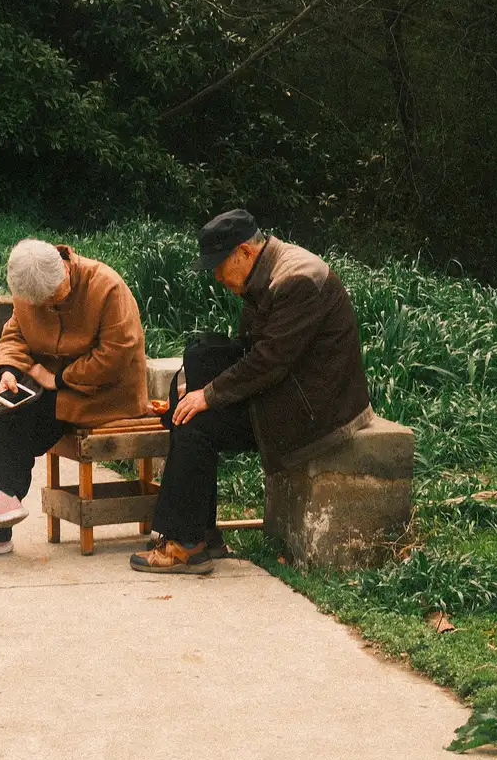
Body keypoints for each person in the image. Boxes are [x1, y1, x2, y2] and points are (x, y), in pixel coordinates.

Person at [133, 209, 373, 575]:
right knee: (188, 409)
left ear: (244, 251)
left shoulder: (296, 281)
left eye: (219, 264)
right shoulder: (265, 273)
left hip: (318, 409)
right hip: (295, 390)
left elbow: (268, 362)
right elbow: (250, 349)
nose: (215, 275)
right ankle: (200, 535)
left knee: (198, 423)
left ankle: (185, 543)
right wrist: (195, 386)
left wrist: (208, 395)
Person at [0, 239, 148, 560]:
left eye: (55, 296)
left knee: (18, 422)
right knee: (2, 408)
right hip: (52, 385)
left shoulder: (107, 287)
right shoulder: (31, 287)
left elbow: (116, 356)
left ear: (66, 268)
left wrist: (58, 378)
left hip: (104, 393)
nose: (47, 304)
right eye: (39, 301)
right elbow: (14, 334)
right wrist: (9, 369)